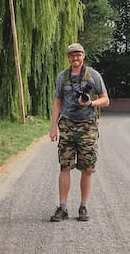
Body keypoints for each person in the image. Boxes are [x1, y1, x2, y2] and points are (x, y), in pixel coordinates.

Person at [48, 42, 109, 222]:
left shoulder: (93, 75)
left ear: (84, 55)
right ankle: (63, 207)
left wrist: (91, 103)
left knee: (87, 168)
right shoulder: (62, 77)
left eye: (78, 55)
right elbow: (57, 102)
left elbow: (105, 100)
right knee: (64, 166)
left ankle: (83, 207)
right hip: (66, 126)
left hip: (87, 127)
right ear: (68, 57)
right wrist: (53, 127)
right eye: (72, 55)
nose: (75, 58)